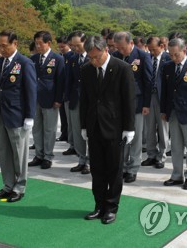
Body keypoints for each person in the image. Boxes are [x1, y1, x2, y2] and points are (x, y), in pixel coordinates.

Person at [80, 35, 135, 225]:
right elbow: (85, 100)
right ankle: (99, 205)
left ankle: (111, 208)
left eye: (97, 57)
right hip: (94, 127)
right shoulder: (86, 70)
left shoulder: (122, 68)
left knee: (114, 169)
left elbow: (129, 100)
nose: (94, 61)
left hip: (115, 127)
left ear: (106, 50)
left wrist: (129, 128)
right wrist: (83, 126)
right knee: (97, 169)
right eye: (90, 57)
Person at [0, 30, 37, 203]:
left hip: (17, 115)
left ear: (15, 43)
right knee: (4, 151)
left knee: (19, 153)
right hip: (2, 113)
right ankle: (8, 185)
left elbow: (31, 90)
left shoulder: (24, 63)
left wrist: (29, 116)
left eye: (5, 46)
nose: (1, 49)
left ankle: (20, 186)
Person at [161, 38, 187, 190]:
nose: (173, 58)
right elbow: (165, 91)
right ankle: (177, 175)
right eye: (171, 55)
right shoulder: (167, 67)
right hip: (172, 112)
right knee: (176, 147)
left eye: (176, 55)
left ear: (184, 51)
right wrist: (164, 111)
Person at [113, 31, 152, 183]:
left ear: (131, 43)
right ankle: (121, 166)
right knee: (121, 137)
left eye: (123, 47)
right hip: (118, 103)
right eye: (118, 48)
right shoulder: (115, 55)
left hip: (137, 102)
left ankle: (133, 168)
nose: (121, 51)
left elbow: (148, 81)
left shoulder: (142, 56)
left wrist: (146, 104)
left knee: (135, 137)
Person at [28, 31, 65, 169]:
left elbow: (61, 81)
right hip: (35, 99)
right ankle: (39, 155)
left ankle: (48, 156)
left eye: (40, 43)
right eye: (36, 43)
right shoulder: (33, 59)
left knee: (50, 129)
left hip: (50, 100)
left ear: (48, 43)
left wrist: (58, 99)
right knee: (36, 128)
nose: (37, 46)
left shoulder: (57, 59)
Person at [142, 36, 171, 169]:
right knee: (149, 128)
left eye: (154, 49)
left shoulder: (169, 59)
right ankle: (151, 155)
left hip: (163, 97)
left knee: (163, 129)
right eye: (150, 49)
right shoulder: (147, 58)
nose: (152, 52)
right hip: (149, 97)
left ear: (162, 46)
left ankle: (161, 156)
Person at [65, 31, 89, 174]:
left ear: (85, 42)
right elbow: (68, 80)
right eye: (72, 46)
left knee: (90, 132)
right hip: (74, 100)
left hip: (90, 101)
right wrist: (67, 98)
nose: (75, 48)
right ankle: (81, 160)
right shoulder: (72, 59)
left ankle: (91, 162)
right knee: (77, 131)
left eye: (77, 45)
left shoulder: (94, 57)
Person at [56, 35, 74, 144]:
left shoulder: (72, 56)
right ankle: (64, 133)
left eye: (63, 47)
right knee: (62, 114)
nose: (61, 49)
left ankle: (70, 136)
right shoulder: (59, 57)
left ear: (68, 45)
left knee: (69, 117)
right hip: (60, 89)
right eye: (60, 47)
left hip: (69, 89)